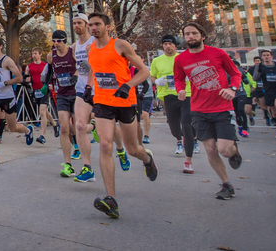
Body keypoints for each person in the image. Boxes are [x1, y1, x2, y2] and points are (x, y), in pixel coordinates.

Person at [83, 12, 157, 220]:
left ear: (108, 26)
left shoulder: (120, 45)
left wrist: (127, 86)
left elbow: (144, 71)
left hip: (125, 101)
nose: (93, 28)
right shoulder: (90, 48)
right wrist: (89, 87)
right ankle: (111, 200)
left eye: (97, 24)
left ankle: (147, 159)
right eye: (91, 25)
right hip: (103, 102)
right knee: (105, 145)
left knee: (132, 148)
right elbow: (94, 69)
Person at [173, 23, 243, 200]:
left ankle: (233, 149)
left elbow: (235, 73)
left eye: (194, 33)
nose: (190, 37)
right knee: (211, 150)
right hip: (198, 109)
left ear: (202, 36)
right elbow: (179, 78)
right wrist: (180, 89)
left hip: (222, 107)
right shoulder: (180, 59)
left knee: (224, 150)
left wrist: (232, 89)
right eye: (187, 34)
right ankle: (227, 185)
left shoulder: (217, 53)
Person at [0, 36, 31, 168]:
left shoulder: (7, 60)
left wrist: (5, 83)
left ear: (1, 46)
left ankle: (27, 130)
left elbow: (19, 78)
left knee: (12, 127)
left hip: (8, 97)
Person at [150, 34, 197, 174]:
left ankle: (188, 161)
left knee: (187, 125)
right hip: (168, 96)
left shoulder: (183, 58)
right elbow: (152, 76)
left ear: (175, 46)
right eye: (165, 44)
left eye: (170, 44)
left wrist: (188, 77)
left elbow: (194, 72)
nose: (168, 46)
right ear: (162, 46)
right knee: (174, 127)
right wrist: (157, 81)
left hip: (185, 94)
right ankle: (181, 137)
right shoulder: (157, 61)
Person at [47, 30, 79, 177]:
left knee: (79, 126)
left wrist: (76, 76)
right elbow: (49, 70)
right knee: (64, 127)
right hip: (62, 94)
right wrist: (46, 81)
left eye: (59, 41)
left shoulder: (72, 52)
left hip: (76, 94)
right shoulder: (51, 55)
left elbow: (82, 67)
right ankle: (68, 164)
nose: (56, 43)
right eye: (54, 41)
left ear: (64, 40)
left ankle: (80, 144)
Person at [70, 13, 97, 182]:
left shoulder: (93, 42)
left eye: (79, 23)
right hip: (82, 89)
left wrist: (90, 84)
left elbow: (96, 65)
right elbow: (81, 66)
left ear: (87, 25)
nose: (76, 26)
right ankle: (88, 168)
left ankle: (122, 151)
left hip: (97, 88)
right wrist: (76, 74)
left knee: (106, 127)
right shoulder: (74, 46)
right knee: (79, 125)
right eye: (74, 23)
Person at [252, 50, 276, 137]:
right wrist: (258, 70)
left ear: (271, 56)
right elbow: (255, 78)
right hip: (268, 91)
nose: (266, 57)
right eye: (264, 55)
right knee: (274, 112)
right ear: (262, 57)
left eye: (267, 55)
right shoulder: (260, 66)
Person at [24, 48, 53, 145]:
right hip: (36, 91)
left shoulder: (45, 65)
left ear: (40, 54)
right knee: (45, 112)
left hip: (44, 90)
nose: (34, 55)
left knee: (42, 112)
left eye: (36, 53)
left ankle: (42, 136)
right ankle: (55, 124)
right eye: (32, 53)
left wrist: (50, 84)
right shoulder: (29, 66)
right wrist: (25, 80)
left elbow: (50, 75)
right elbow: (25, 77)